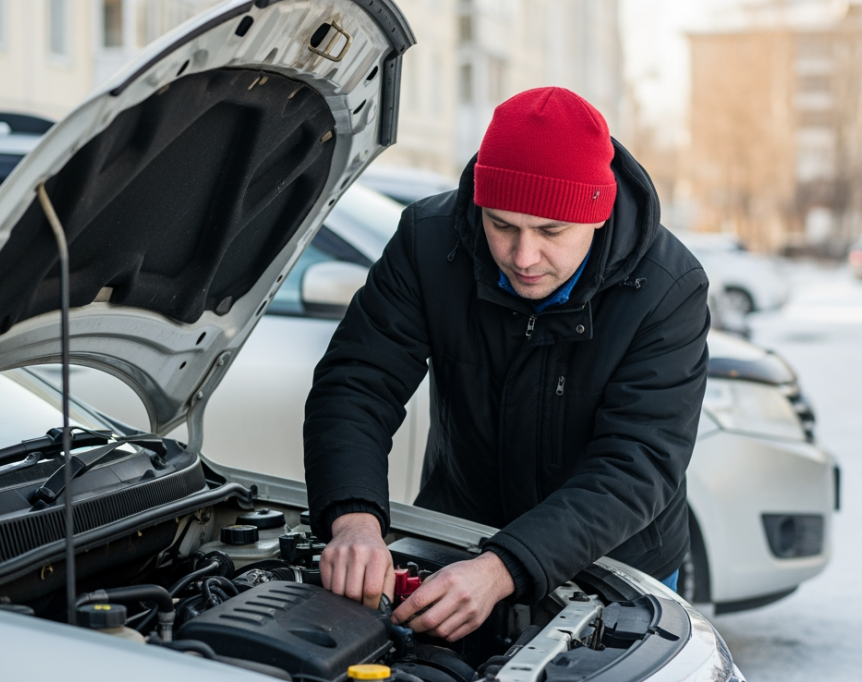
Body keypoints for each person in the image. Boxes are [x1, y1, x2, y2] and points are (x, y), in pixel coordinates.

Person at [304, 87, 709, 642]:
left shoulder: (667, 289)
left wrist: (503, 568)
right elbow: (356, 384)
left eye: (550, 232)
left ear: (598, 213)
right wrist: (353, 518)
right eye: (502, 225)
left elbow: (637, 462)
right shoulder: (429, 244)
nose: (523, 256)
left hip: (617, 562)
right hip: (458, 533)